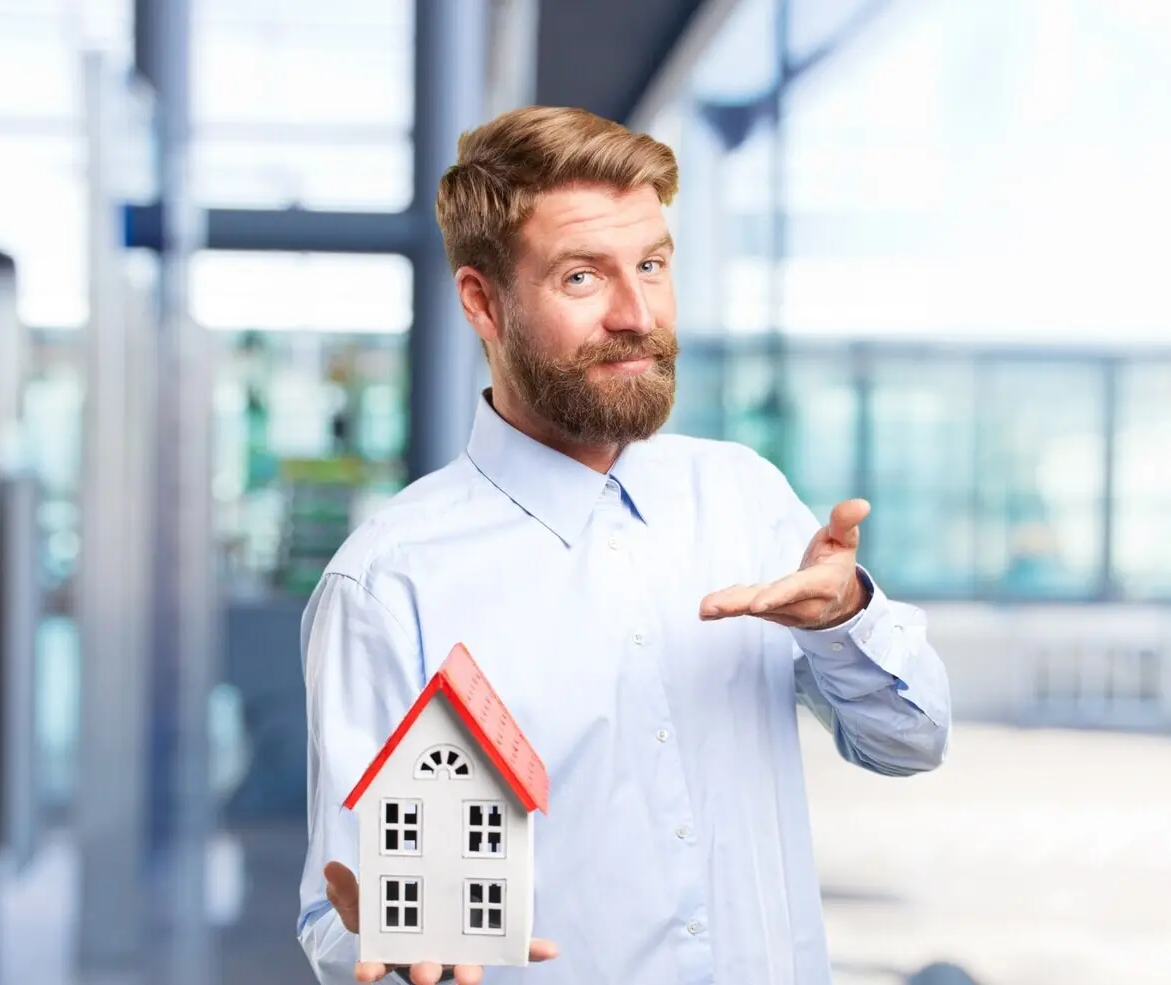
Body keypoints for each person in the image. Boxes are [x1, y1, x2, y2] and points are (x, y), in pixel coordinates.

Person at [296, 105, 951, 985]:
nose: (637, 313)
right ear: (482, 301)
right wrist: (401, 933)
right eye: (582, 277)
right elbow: (342, 919)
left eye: (651, 265)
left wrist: (845, 621)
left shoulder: (743, 496)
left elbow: (912, 742)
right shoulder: (391, 583)